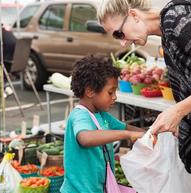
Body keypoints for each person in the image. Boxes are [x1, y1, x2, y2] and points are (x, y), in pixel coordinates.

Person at [97, 0, 191, 193]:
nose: (122, 42)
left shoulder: (178, 21)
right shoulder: (168, 32)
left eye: (119, 33)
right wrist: (182, 118)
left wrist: (179, 111)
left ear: (134, 15)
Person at [60, 55, 145, 193]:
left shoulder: (101, 115)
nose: (115, 97)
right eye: (110, 92)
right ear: (90, 91)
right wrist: (127, 134)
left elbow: (126, 127)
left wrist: (155, 132)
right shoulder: (80, 115)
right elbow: (85, 139)